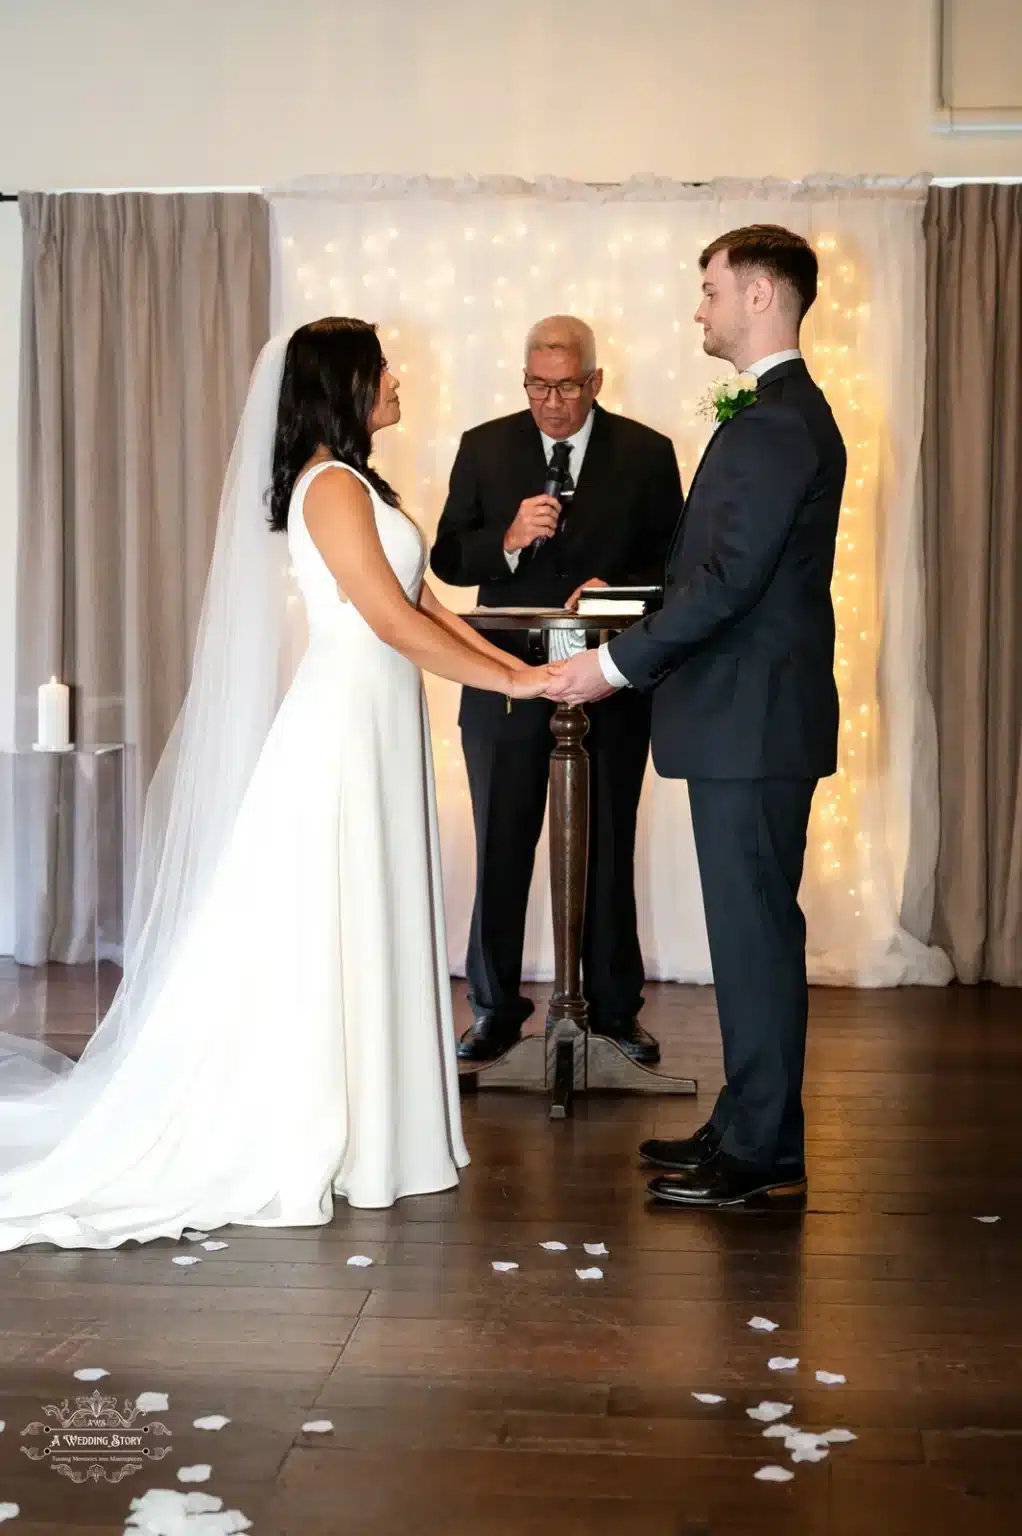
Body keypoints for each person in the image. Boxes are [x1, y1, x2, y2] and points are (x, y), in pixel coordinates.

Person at [0, 318, 552, 1250]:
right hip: (342, 725)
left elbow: (428, 608)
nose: (398, 380)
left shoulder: (361, 484)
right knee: (329, 917)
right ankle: (335, 1127)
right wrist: (514, 683)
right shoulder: (329, 488)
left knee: (368, 908)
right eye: (383, 369)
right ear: (346, 385)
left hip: (381, 721)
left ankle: (386, 1128)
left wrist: (515, 667)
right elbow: (385, 622)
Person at [545, 227, 847, 1208]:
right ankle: (750, 1122)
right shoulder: (775, 413)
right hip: (749, 718)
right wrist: (629, 594)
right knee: (746, 932)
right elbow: (716, 573)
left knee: (752, 935)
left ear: (760, 295)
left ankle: (758, 1155)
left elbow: (726, 585)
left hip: (749, 722)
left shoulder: (774, 422)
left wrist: (612, 665)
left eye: (709, 289)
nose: (698, 308)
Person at [431, 316, 683, 1067]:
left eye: (566, 386)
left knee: (605, 845)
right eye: (538, 386)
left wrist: (621, 595)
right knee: (502, 845)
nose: (551, 402)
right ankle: (495, 1010)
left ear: (595, 381)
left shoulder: (647, 452)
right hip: (504, 683)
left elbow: (676, 572)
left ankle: (613, 1011)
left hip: (608, 683)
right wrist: (506, 540)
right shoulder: (484, 446)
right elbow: (446, 556)